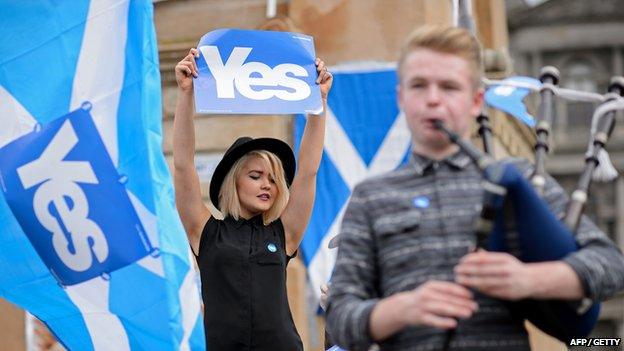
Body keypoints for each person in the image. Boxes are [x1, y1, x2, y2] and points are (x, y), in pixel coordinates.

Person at [325, 25, 624, 351]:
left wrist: (527, 280)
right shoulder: (371, 196)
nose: (433, 99)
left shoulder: (518, 179)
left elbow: (610, 265)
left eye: (450, 87)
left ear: (476, 101)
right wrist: (401, 309)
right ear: (401, 98)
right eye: (419, 86)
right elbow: (340, 318)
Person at [173, 47, 332, 350]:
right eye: (256, 176)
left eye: (273, 179)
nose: (267, 186)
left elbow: (308, 172)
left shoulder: (283, 233)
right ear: (234, 182)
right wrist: (185, 94)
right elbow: (182, 166)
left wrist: (319, 103)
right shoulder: (205, 231)